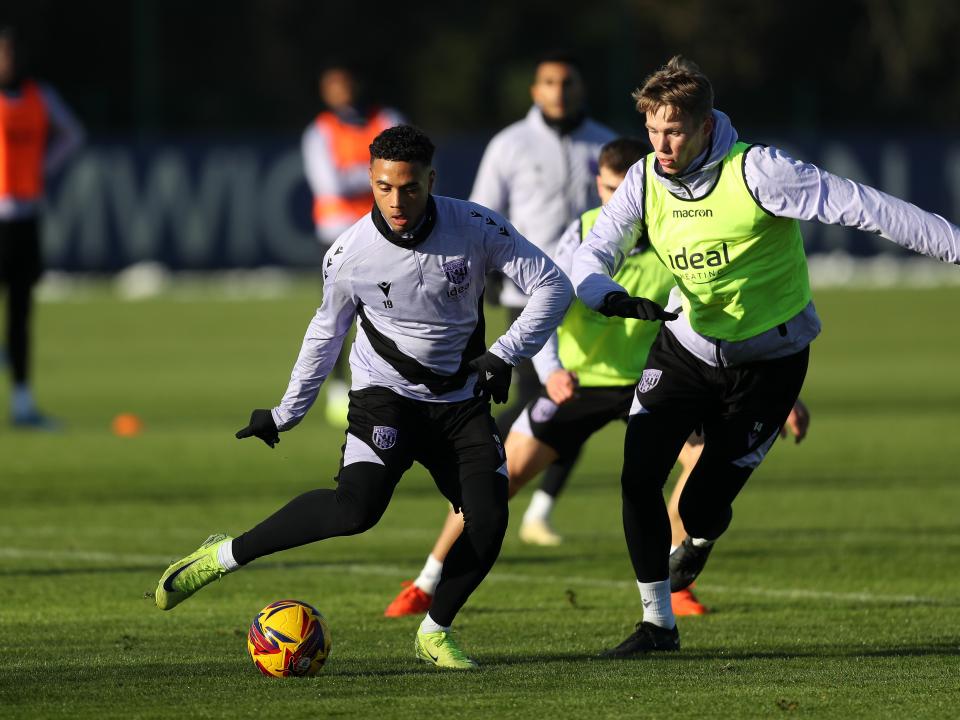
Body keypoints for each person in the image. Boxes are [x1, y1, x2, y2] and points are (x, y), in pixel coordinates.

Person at [570, 56, 960, 658]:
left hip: (769, 365)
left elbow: (870, 207)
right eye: (651, 130)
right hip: (685, 348)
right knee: (638, 474)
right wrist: (610, 297)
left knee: (701, 504)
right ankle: (657, 625)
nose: (660, 145)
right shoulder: (646, 179)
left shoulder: (760, 171)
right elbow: (593, 254)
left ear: (704, 124)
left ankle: (698, 538)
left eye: (672, 131)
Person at [154, 125, 573, 671]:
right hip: (386, 398)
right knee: (355, 511)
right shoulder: (350, 253)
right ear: (372, 181)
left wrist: (504, 354)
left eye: (410, 188)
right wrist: (287, 411)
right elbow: (325, 333)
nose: (397, 201)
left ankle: (434, 632)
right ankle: (223, 555)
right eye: (383, 187)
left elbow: (554, 286)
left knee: (489, 519)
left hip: (461, 401)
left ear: (431, 180)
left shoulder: (474, 226)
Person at [469, 52, 616, 520]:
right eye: (549, 82)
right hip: (527, 291)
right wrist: (486, 272)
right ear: (535, 90)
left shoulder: (607, 145)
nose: (558, 90)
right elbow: (481, 211)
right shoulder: (509, 144)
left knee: (570, 396)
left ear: (580, 88)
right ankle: (475, 456)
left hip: (591, 294)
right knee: (544, 395)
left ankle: (535, 504)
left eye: (567, 81)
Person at [302, 65, 404, 426]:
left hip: (385, 230)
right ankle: (336, 387)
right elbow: (331, 185)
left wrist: (371, 174)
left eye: (346, 85)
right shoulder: (319, 132)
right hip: (339, 234)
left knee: (392, 307)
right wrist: (381, 174)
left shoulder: (386, 118)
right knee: (337, 315)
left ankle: (387, 382)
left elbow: (409, 164)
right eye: (334, 87)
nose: (342, 93)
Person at [0, 26, 83, 428]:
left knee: (21, 313)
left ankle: (22, 403)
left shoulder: (39, 96)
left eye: (9, 54)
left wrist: (42, 168)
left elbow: (72, 135)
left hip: (25, 217)